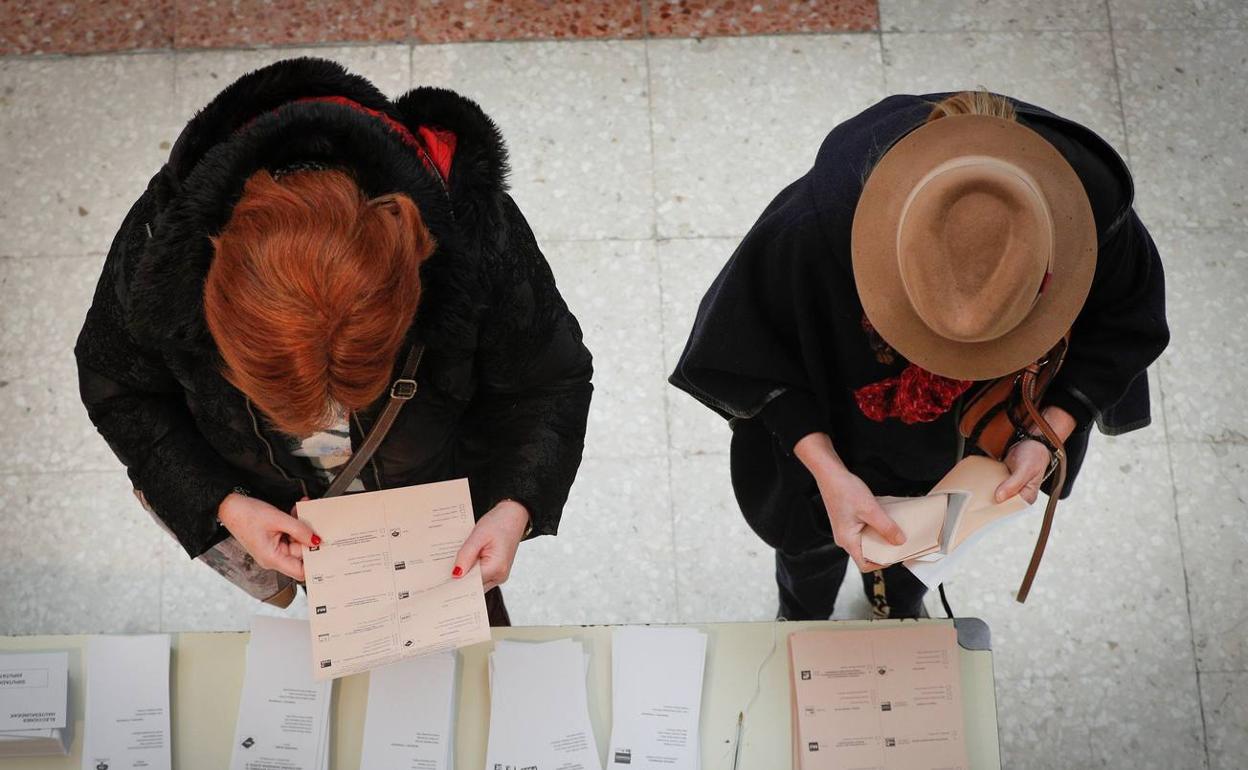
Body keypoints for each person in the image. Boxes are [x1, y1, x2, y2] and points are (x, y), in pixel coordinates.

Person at [75, 58, 593, 624]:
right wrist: (224, 504)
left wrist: (514, 502)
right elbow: (120, 389)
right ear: (210, 302)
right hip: (280, 504)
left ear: (412, 271)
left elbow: (549, 381)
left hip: (436, 520)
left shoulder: (473, 235)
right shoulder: (159, 257)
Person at [670, 91, 1169, 620]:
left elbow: (1122, 328)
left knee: (923, 555)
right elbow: (752, 351)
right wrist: (829, 472)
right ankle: (802, 611)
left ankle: (899, 602)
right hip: (839, 424)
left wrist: (1049, 431)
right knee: (809, 547)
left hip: (975, 441)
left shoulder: (1090, 218)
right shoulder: (814, 230)